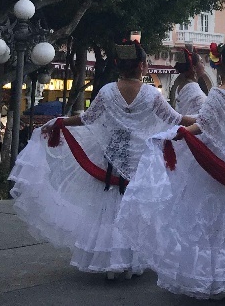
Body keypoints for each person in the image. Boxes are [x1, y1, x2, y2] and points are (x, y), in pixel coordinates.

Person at [10, 38, 195, 279]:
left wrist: (60, 122)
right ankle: (131, 260)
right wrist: (206, 121)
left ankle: (110, 261)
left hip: (111, 158)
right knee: (135, 206)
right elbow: (176, 119)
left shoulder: (108, 91)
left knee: (110, 207)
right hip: (141, 160)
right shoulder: (151, 94)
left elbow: (87, 118)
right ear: (141, 66)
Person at [122, 36, 225, 300]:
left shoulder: (217, 93)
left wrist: (175, 135)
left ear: (220, 64)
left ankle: (213, 279)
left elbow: (201, 124)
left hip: (216, 165)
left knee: (212, 222)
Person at [172, 46, 211, 116]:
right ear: (194, 68)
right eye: (201, 62)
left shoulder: (181, 86)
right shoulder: (196, 92)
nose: (204, 65)